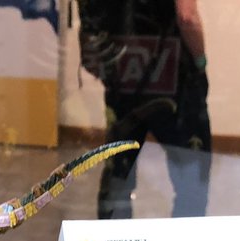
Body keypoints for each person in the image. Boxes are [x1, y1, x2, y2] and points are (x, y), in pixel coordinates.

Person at [78, 0, 212, 218]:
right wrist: (200, 61)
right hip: (172, 75)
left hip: (124, 72)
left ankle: (113, 239)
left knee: (118, 179)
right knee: (191, 184)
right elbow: (187, 17)